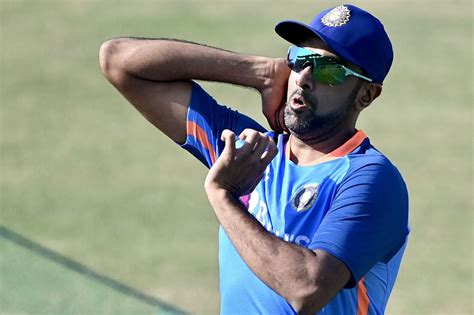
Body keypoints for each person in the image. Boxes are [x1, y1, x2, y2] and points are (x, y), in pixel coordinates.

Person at [99, 4, 409, 315]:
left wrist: (223, 196)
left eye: (328, 69)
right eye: (299, 60)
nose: (303, 78)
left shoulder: (370, 179)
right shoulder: (250, 150)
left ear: (366, 95)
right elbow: (119, 61)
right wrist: (258, 72)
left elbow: (307, 289)